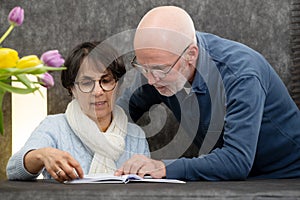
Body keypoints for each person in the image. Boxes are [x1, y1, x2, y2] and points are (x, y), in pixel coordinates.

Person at [115, 6, 300, 180]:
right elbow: (118, 115)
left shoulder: (242, 74)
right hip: (227, 178)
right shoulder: (157, 64)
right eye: (142, 67)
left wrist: (163, 167)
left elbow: (237, 160)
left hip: (286, 176)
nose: (150, 80)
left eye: (160, 70)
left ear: (191, 55)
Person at [6, 41, 150, 183]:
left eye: (106, 81)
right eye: (87, 83)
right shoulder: (54, 127)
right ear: (71, 89)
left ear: (117, 85)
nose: (98, 91)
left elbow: (146, 188)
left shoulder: (135, 136)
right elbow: (13, 170)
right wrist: (42, 155)